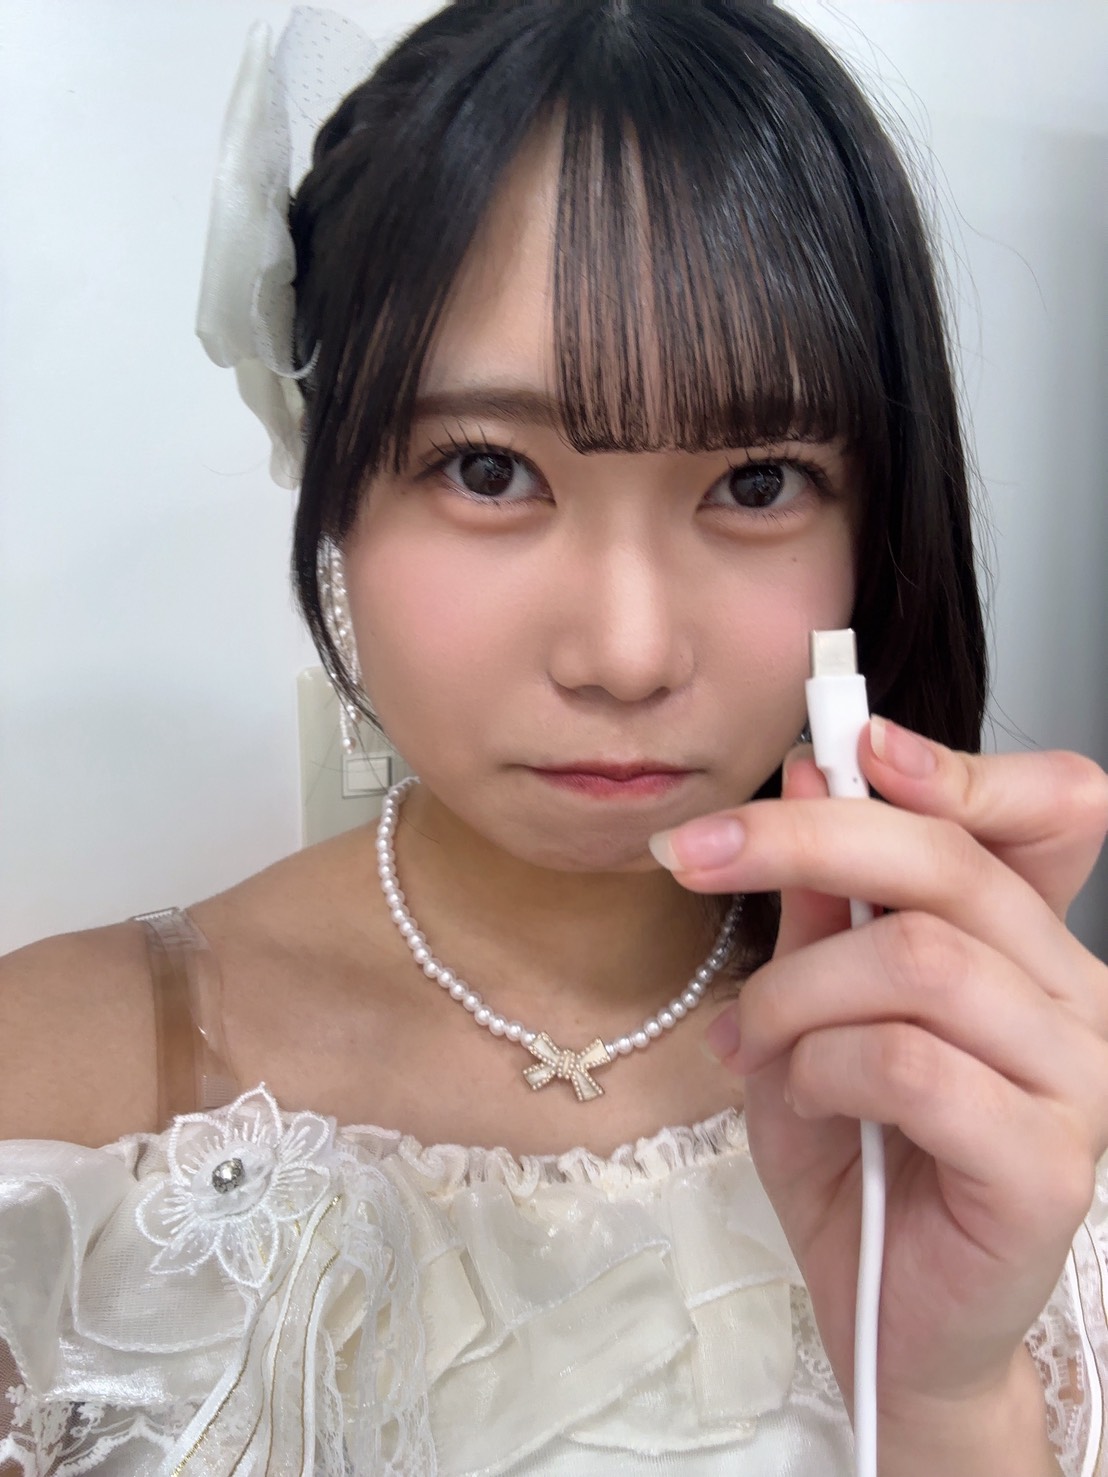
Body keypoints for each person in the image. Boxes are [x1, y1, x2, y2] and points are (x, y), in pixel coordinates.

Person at [1, 1, 1105, 1472]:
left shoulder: (996, 1092)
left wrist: (944, 1401)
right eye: (487, 469)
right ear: (333, 481)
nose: (626, 653)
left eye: (758, 481)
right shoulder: (54, 1107)